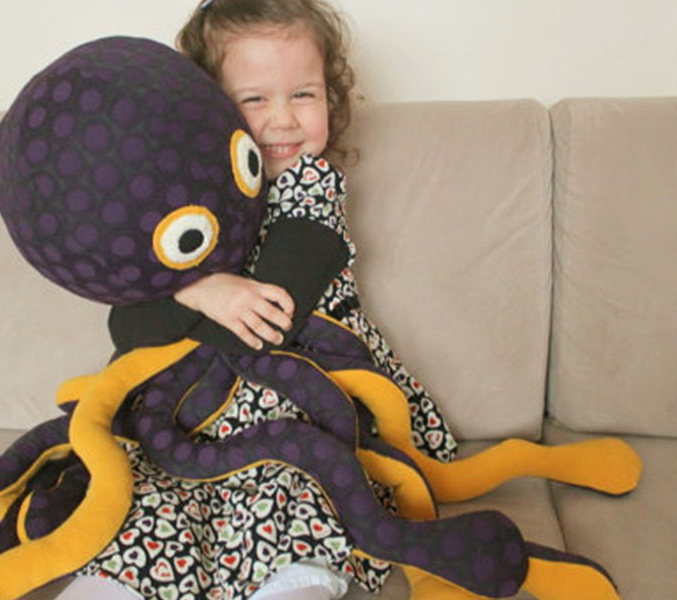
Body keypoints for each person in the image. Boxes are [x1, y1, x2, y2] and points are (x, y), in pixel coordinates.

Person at [60, 1, 456, 598]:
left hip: (298, 395)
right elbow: (128, 326)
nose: (283, 120)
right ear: (209, 107)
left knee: (297, 491)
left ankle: (294, 582)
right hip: (196, 417)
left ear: (331, 97)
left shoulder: (312, 184)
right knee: (150, 499)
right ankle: (119, 582)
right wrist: (198, 285)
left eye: (304, 94)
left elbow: (275, 310)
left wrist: (193, 294)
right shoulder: (184, 199)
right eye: (254, 99)